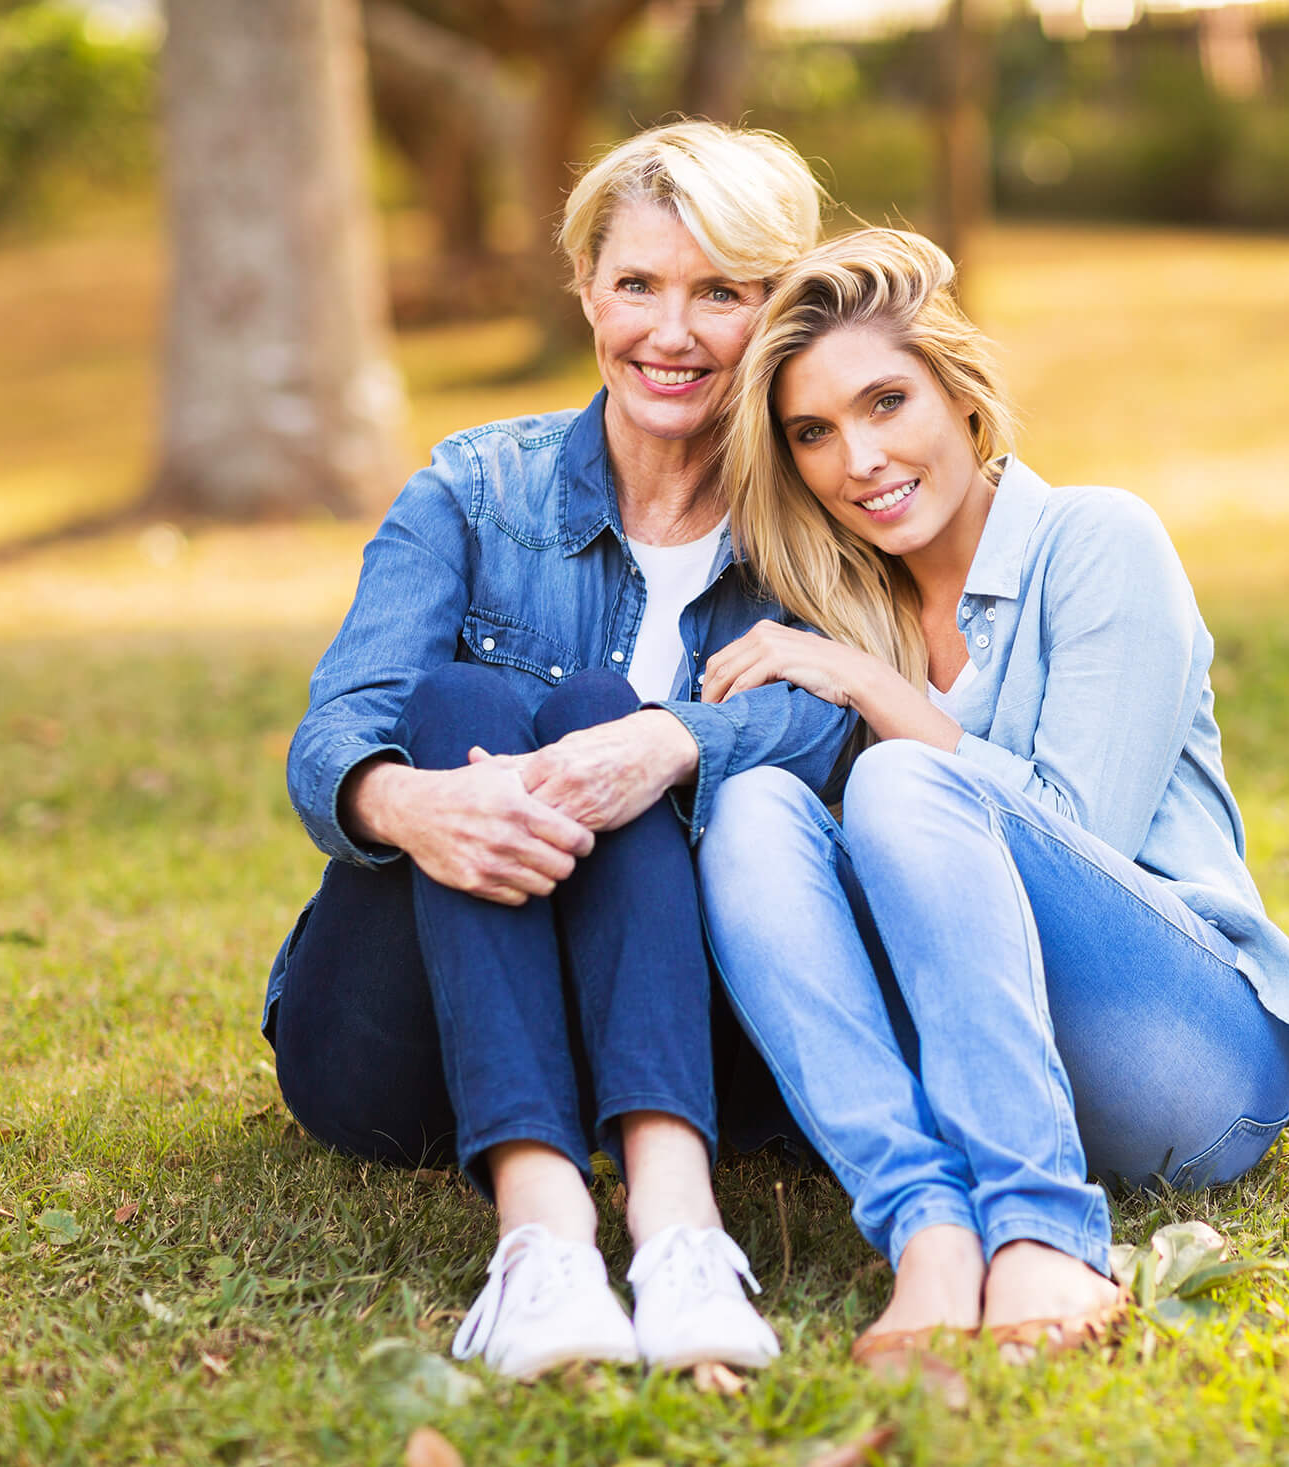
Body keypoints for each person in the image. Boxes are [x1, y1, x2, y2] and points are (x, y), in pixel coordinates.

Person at [692, 229, 1289, 1367]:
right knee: (752, 810)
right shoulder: (841, 614)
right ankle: (931, 1233)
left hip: (1185, 1057)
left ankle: (1046, 1233)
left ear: (964, 396)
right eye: (814, 432)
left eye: (887, 401)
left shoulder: (1097, 540)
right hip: (979, 1062)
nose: (858, 458)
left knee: (908, 778)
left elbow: (1075, 833)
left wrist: (876, 695)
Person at [265, 122, 853, 1380]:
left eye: (721, 293)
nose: (671, 333)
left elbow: (841, 716)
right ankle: (544, 1245)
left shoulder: (825, 521)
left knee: (598, 707)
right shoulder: (473, 492)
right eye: (636, 284)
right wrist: (405, 804)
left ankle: (674, 1231)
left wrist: (671, 743)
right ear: (586, 287)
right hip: (398, 1049)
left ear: (780, 311)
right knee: (465, 703)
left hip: (703, 1043)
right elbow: (335, 730)